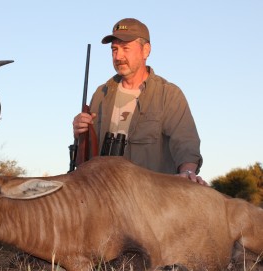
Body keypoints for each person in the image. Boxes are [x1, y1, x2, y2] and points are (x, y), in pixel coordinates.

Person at [73, 18, 206, 185]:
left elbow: (186, 143)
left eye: (125, 48)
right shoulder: (101, 94)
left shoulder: (168, 94)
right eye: (114, 49)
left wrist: (187, 172)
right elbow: (86, 153)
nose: (118, 56)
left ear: (146, 50)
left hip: (149, 200)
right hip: (103, 196)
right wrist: (79, 132)